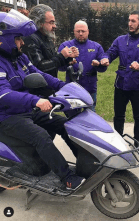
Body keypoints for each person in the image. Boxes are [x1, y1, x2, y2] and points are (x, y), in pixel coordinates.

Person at [0, 10, 85, 190]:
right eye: (18, 39)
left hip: (26, 110)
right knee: (41, 137)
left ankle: (86, 164)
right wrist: (35, 101)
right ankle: (67, 178)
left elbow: (39, 74)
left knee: (66, 125)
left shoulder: (20, 57)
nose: (22, 42)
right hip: (7, 116)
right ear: (6, 39)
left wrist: (64, 86)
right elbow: (4, 94)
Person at [101, 10, 139, 146]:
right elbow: (110, 53)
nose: (130, 23)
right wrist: (105, 59)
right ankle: (118, 141)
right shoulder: (120, 40)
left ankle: (137, 141)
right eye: (129, 20)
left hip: (138, 85)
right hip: (120, 84)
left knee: (138, 116)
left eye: (133, 21)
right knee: (118, 115)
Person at [58, 20, 107, 112]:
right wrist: (68, 63)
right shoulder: (65, 46)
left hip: (90, 87)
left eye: (83, 31)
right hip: (72, 88)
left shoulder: (96, 47)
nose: (81, 34)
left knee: (90, 115)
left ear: (88, 31)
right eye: (78, 31)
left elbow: (103, 68)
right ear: (74, 31)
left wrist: (98, 65)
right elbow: (59, 67)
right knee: (72, 115)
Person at [22, 4, 79, 78]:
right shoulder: (30, 39)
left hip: (50, 85)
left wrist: (67, 57)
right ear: (40, 23)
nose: (55, 26)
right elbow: (39, 67)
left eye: (54, 22)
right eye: (51, 22)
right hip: (39, 87)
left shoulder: (47, 37)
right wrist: (61, 56)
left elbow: (52, 62)